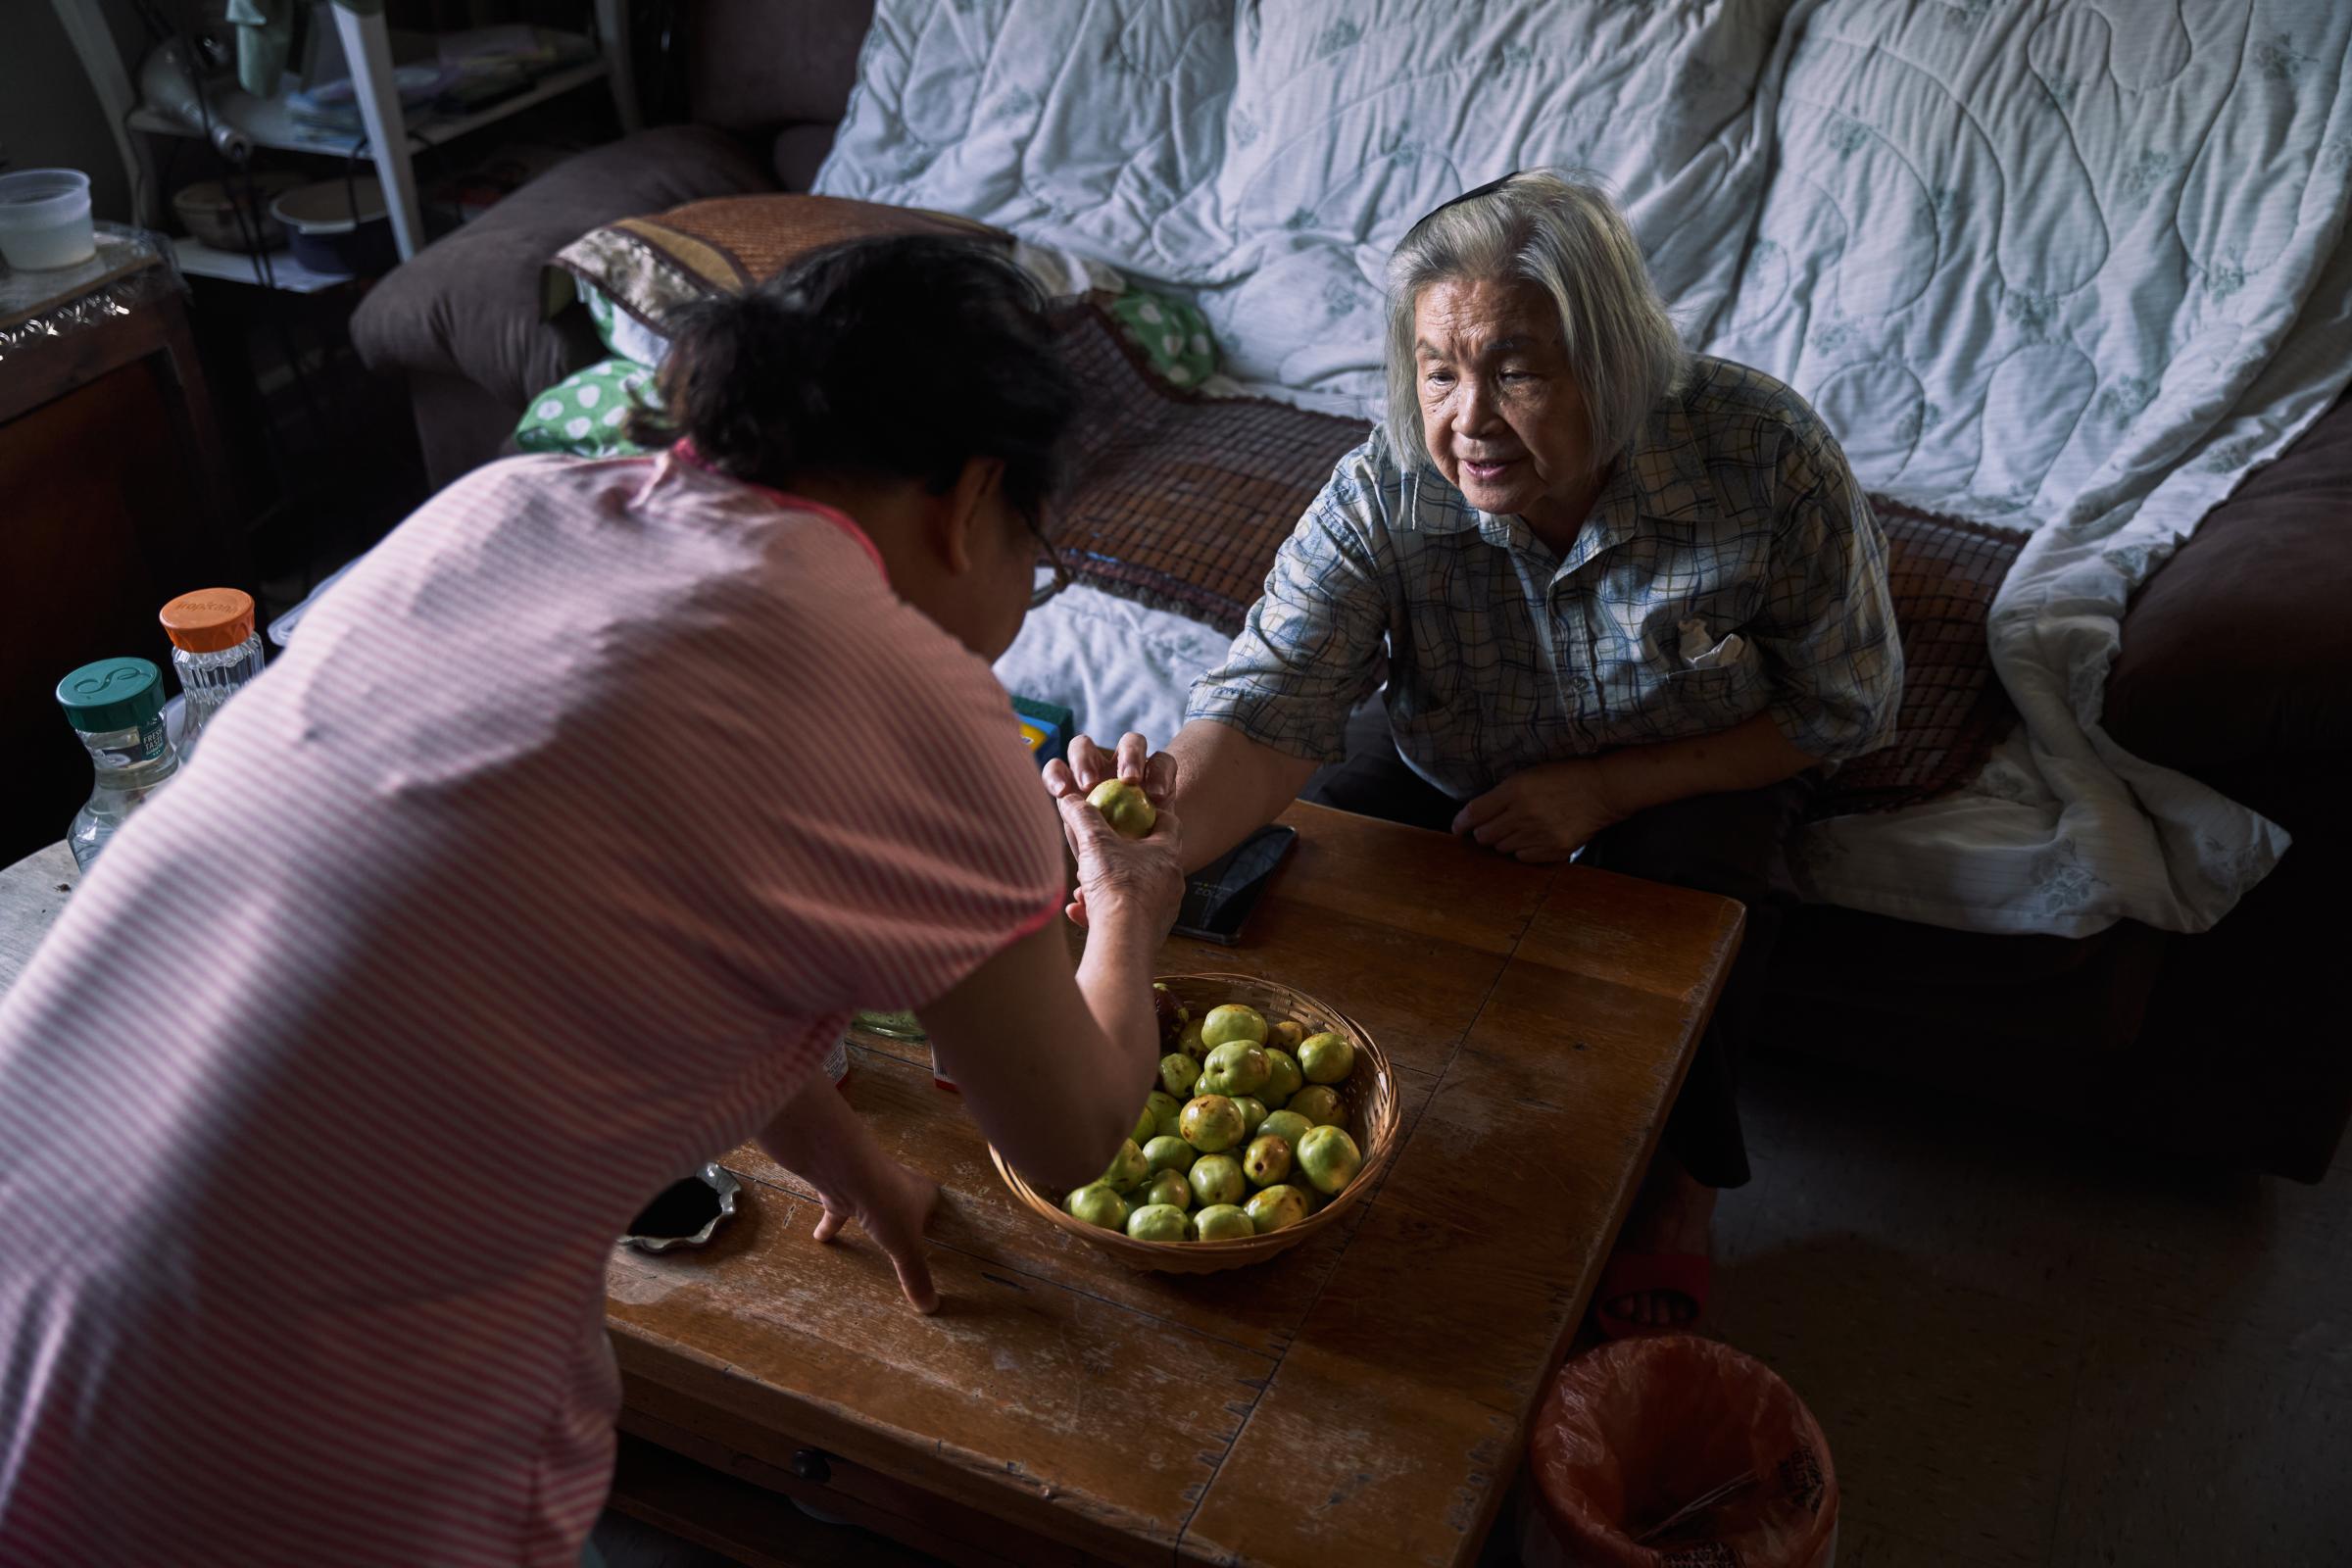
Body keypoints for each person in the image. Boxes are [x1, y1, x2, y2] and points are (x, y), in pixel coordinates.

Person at [0, 237, 1183, 1566]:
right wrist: (1126, 896)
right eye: (1040, 552)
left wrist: (833, 1144)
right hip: (282, 1415)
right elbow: (1078, 1134)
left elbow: (541, 893)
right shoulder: (910, 692)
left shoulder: (503, 511)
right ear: (971, 500)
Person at [1047, 172, 1902, 1336]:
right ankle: (1400, 1135)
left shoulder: (1764, 460)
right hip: (1456, 751)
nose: (1470, 420)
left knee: (1700, 909)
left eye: (1517, 369)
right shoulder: (1387, 486)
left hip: (1693, 754)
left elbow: (1845, 704)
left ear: (1612, 359)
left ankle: (1680, 1196)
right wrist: (1130, 856)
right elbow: (1266, 706)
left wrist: (1604, 789)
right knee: (1298, 871)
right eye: (1439, 371)